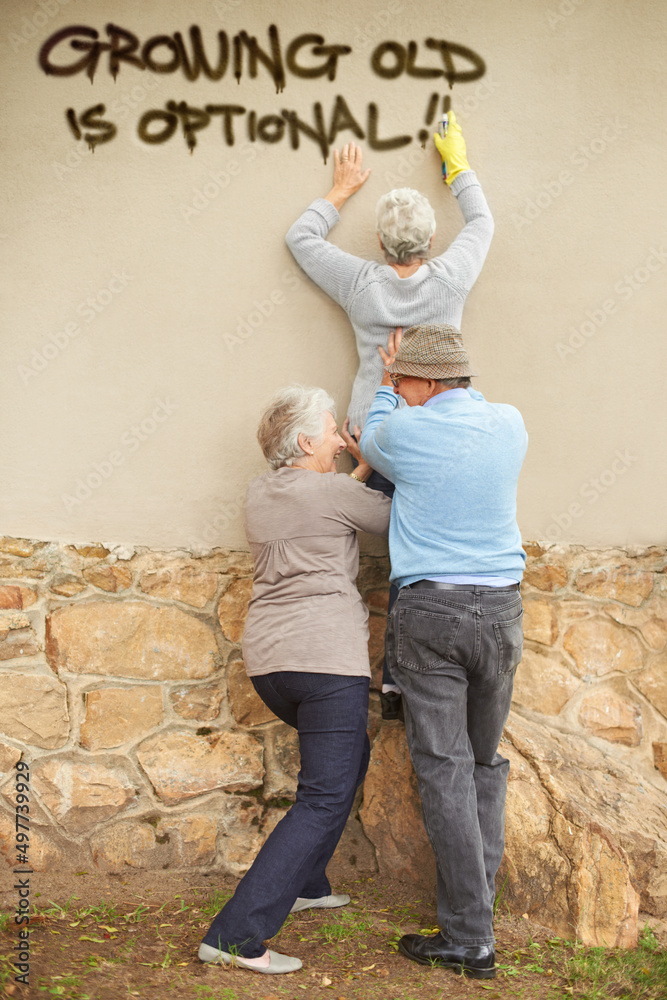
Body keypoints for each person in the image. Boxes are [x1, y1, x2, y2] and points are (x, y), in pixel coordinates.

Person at [286, 112, 493, 716]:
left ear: (379, 243)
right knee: (418, 551)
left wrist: (340, 192)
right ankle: (407, 679)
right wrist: (456, 163)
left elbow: (300, 239)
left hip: (370, 439)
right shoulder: (451, 279)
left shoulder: (360, 283)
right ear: (431, 242)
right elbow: (481, 221)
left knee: (373, 550)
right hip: (436, 436)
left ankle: (342, 668)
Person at [199, 385, 391, 975]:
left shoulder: (262, 492)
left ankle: (307, 883)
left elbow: (327, 503)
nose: (339, 437)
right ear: (307, 441)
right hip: (325, 660)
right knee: (324, 795)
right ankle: (236, 935)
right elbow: (391, 518)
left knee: (346, 760)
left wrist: (351, 468)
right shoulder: (334, 492)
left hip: (271, 666)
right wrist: (378, 459)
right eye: (332, 429)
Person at [359, 324, 528, 980]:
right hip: (503, 610)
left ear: (426, 383)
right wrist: (403, 378)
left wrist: (381, 386)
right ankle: (474, 922)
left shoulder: (405, 428)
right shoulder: (509, 424)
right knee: (482, 764)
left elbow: (374, 438)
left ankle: (467, 939)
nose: (400, 390)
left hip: (432, 612)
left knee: (446, 771)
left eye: (406, 382)